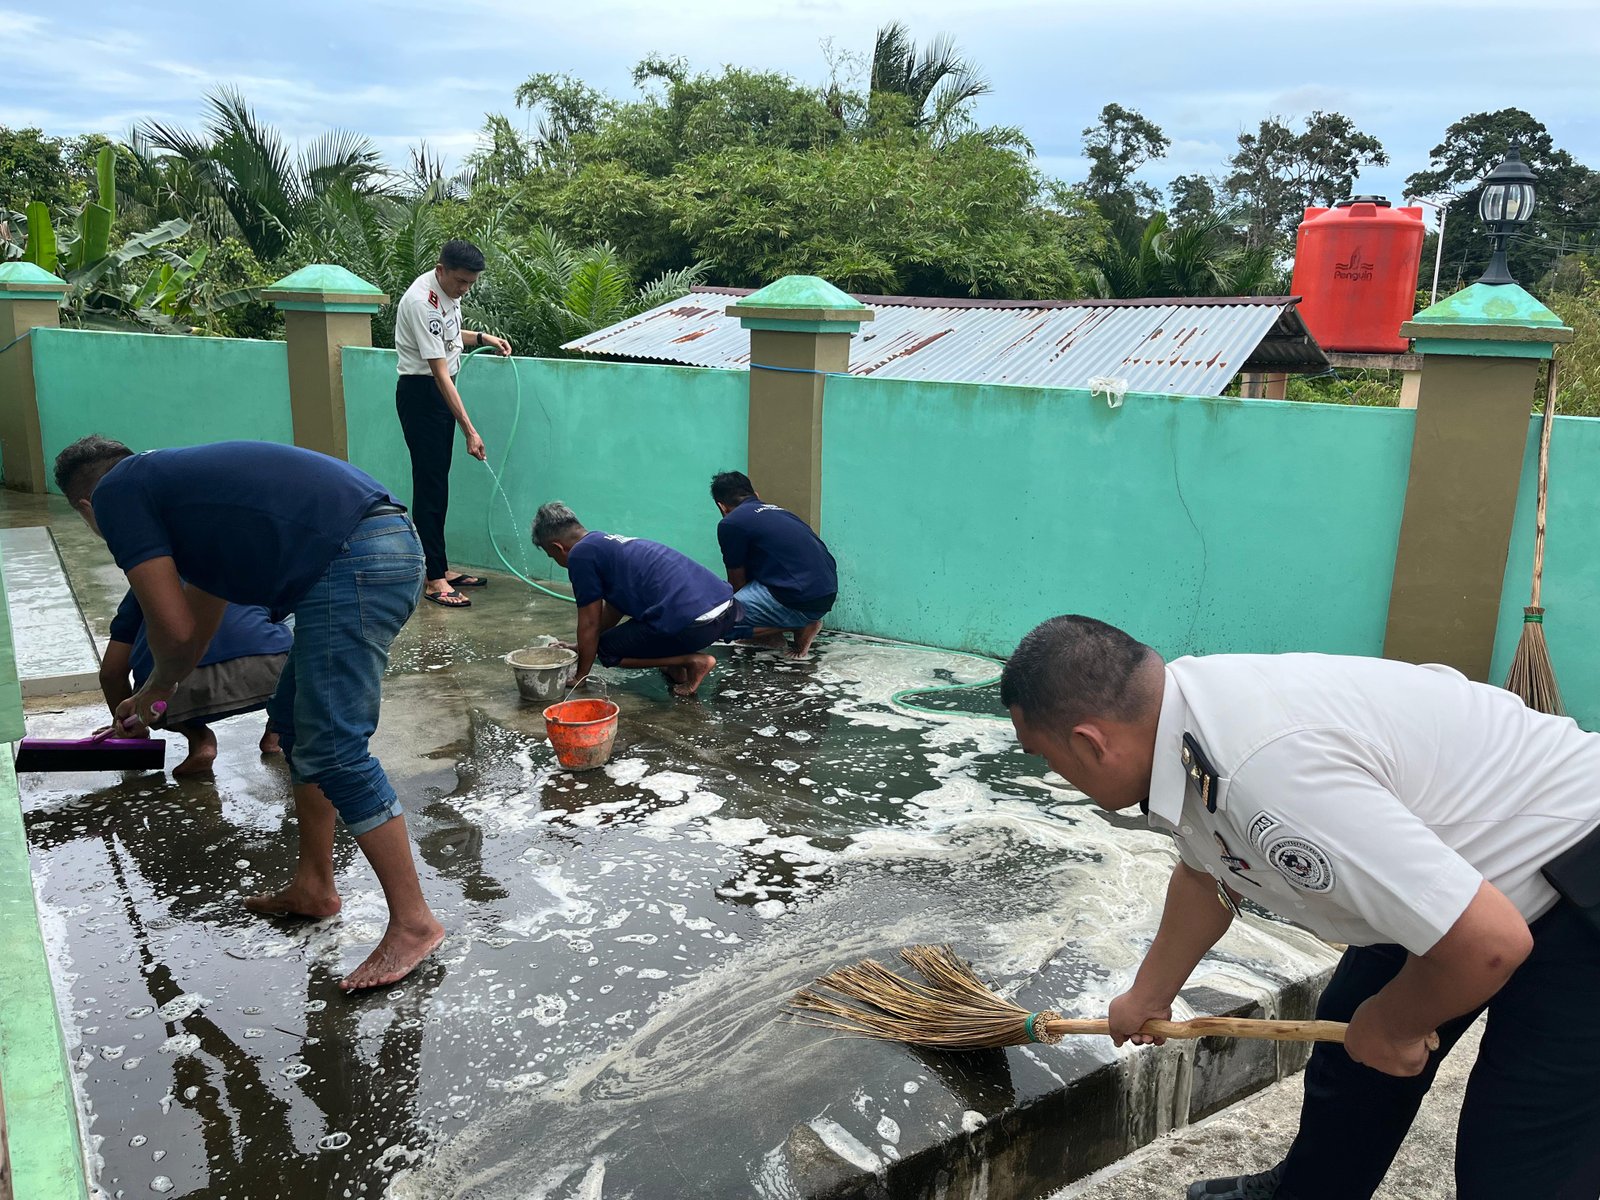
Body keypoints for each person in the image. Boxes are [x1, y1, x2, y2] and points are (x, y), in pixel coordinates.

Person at [1000, 615, 1600, 1200]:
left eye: (1046, 757)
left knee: (1516, 1159)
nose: (1054, 774)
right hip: (1459, 871)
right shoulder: (1182, 718)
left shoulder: (1266, 774)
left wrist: (1395, 1025)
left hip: (1575, 876)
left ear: (1090, 742)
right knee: (1351, 1045)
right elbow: (1207, 874)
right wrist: (1149, 995)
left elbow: (1488, 943)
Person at [56, 435, 444, 992]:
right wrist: (160, 692)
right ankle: (314, 886)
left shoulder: (118, 494)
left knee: (335, 751)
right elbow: (198, 619)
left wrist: (155, 688)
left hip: (353, 557)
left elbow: (170, 630)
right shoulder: (187, 500)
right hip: (374, 544)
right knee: (296, 727)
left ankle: (414, 923)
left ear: (85, 507)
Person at [394, 238, 511, 609]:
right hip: (423, 394)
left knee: (438, 485)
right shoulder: (421, 301)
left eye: (471, 283)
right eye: (461, 281)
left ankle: (440, 566)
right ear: (441, 270)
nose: (465, 289)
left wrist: (483, 337)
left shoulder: (447, 293)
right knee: (430, 486)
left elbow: (448, 336)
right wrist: (470, 431)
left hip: (440, 392)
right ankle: (434, 580)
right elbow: (439, 373)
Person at [532, 501, 739, 697]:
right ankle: (676, 666)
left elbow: (590, 623)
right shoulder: (605, 542)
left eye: (552, 556)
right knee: (633, 631)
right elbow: (613, 609)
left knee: (606, 650)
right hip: (725, 611)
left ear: (558, 547)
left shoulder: (580, 555)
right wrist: (579, 647)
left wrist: (580, 676)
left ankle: (692, 661)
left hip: (694, 624)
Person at [102, 589, 291, 776]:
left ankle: (201, 741)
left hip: (175, 684)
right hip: (270, 670)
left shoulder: (148, 582)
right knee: (298, 620)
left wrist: (132, 727)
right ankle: (279, 729)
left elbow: (112, 673)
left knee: (147, 699)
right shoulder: (250, 571)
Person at [709, 471, 837, 659]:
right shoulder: (780, 511)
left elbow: (736, 582)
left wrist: (737, 622)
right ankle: (772, 636)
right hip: (826, 591)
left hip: (801, 597)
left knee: (717, 624)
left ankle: (800, 624)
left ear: (722, 506)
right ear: (756, 495)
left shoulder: (731, 523)